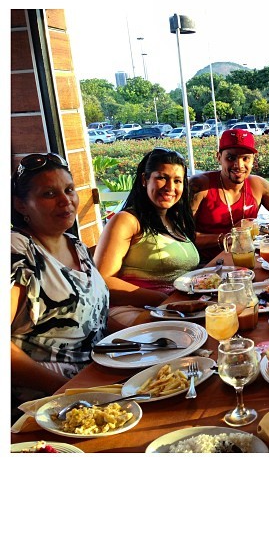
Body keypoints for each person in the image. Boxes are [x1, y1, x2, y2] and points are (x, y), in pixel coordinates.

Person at [11, 153, 109, 417]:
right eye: (49, 194)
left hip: (100, 385)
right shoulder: (18, 251)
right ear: (21, 205)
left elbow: (94, 319)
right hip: (47, 409)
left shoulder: (74, 243)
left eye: (69, 190)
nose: (66, 201)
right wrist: (69, 391)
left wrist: (159, 321)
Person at [94, 148, 199, 331]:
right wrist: (165, 300)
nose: (170, 187)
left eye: (177, 181)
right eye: (162, 178)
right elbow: (103, 280)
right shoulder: (127, 220)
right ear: (144, 180)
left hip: (175, 309)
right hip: (136, 311)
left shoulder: (174, 220)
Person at [190, 129, 269, 264]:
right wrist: (227, 238)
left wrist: (261, 228)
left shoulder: (257, 184)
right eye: (231, 158)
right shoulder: (199, 185)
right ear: (219, 157)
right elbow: (182, 237)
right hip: (208, 266)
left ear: (253, 160)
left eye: (245, 158)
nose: (239, 165)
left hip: (249, 261)